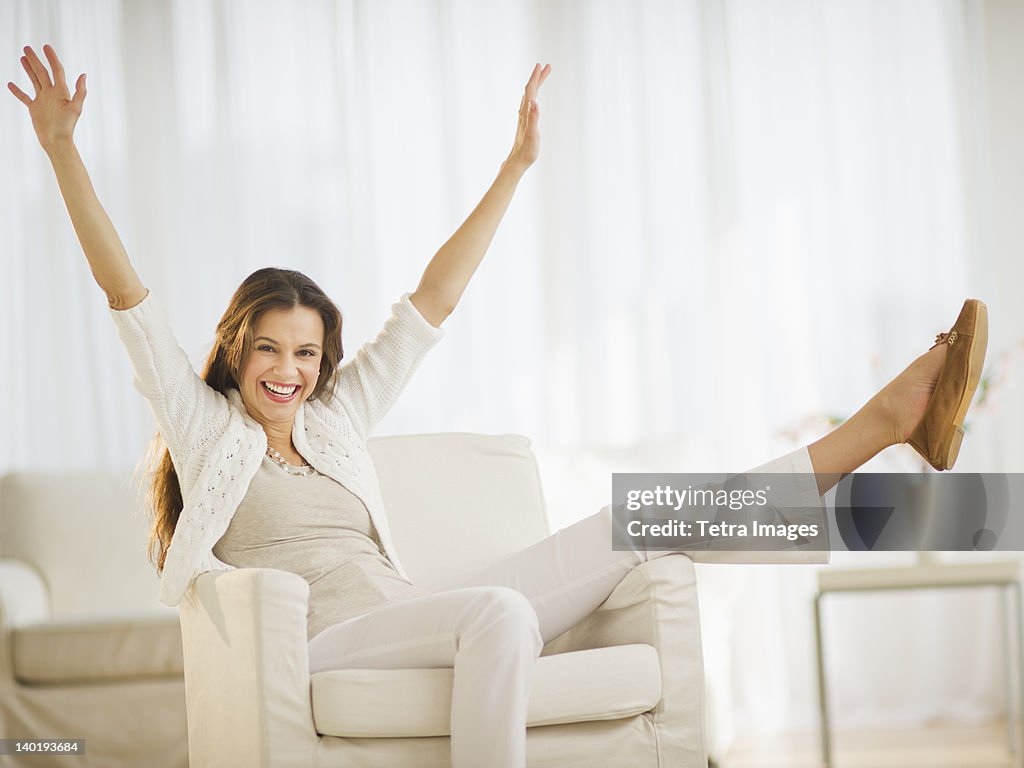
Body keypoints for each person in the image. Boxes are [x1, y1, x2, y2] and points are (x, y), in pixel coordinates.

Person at [9, 43, 987, 768]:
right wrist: (61, 151)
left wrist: (515, 170)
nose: (288, 369)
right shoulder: (207, 427)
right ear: (234, 350)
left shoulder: (336, 423)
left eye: (305, 352)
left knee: (644, 517)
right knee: (497, 614)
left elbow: (429, 303)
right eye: (268, 348)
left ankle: (882, 426)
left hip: (419, 615)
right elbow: (129, 300)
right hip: (322, 645)